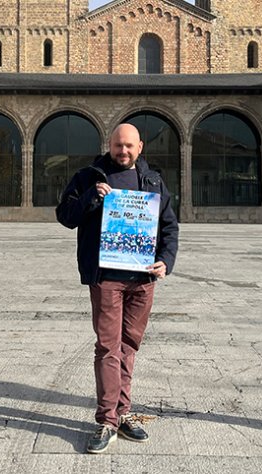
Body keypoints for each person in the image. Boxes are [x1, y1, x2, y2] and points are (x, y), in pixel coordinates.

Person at [56, 123, 179, 454]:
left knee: (129, 346)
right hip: (107, 276)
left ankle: (123, 412)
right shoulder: (89, 176)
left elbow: (168, 225)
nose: (122, 151)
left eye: (129, 146)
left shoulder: (152, 180)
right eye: (117, 146)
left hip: (142, 278)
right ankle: (107, 419)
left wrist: (166, 260)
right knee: (108, 346)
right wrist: (91, 199)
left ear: (140, 147)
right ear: (109, 145)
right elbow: (65, 216)